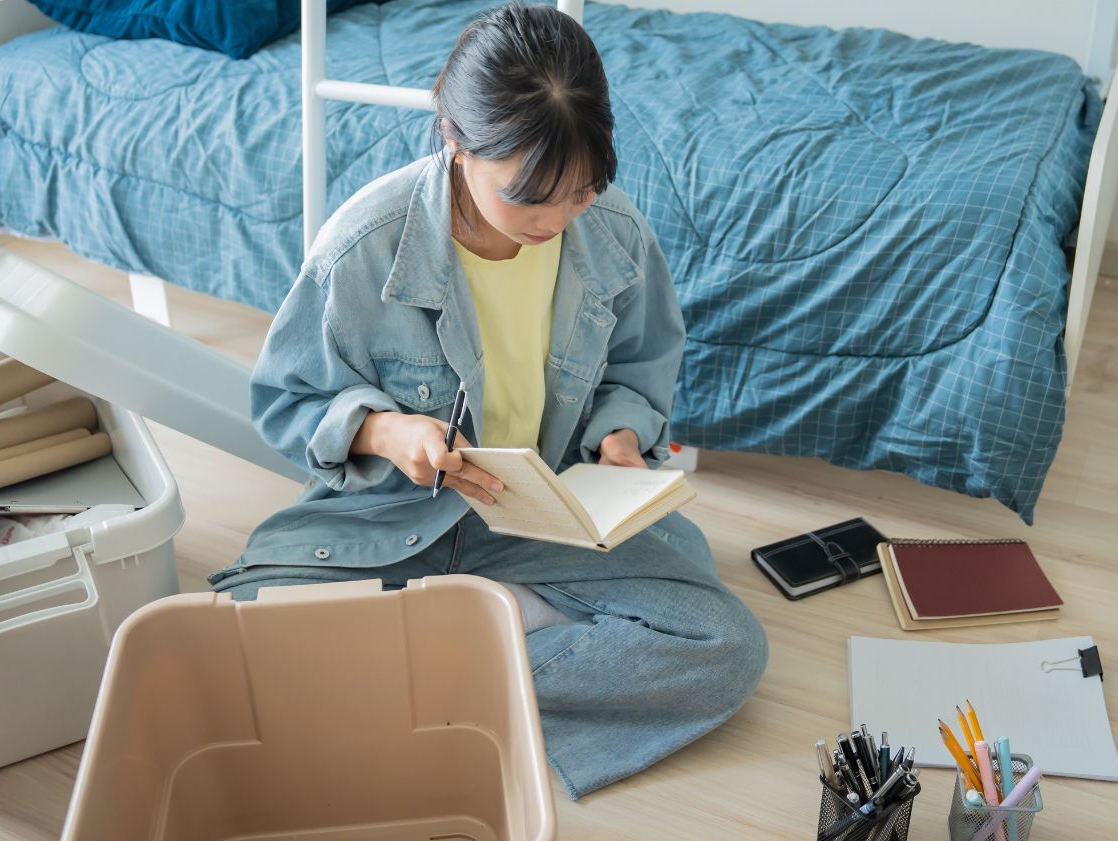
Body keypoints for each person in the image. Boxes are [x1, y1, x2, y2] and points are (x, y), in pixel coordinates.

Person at [209, 2, 766, 800]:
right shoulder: (364, 247)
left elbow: (640, 370)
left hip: (544, 514)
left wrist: (619, 440)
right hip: (395, 518)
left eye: (579, 192)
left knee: (726, 646)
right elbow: (288, 401)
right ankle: (510, 625)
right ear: (455, 141)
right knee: (237, 630)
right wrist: (383, 431)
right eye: (526, 196)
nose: (553, 221)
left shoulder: (614, 233)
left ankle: (437, 665)